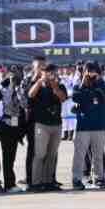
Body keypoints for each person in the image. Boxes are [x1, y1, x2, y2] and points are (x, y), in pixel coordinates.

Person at [70, 62, 105, 190]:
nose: (91, 74)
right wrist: (84, 83)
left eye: (93, 71)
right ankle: (76, 179)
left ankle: (99, 178)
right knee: (79, 154)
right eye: (88, 71)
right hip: (83, 125)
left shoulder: (101, 84)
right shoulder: (79, 84)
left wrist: (98, 82)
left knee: (98, 154)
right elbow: (75, 97)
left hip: (99, 124)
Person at [27, 63, 68, 191]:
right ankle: (36, 182)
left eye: (52, 72)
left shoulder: (59, 85)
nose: (50, 74)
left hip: (56, 124)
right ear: (42, 73)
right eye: (47, 72)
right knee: (40, 154)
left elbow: (63, 98)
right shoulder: (39, 85)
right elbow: (30, 94)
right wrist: (40, 82)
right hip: (41, 124)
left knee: (52, 155)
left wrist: (55, 87)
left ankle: (48, 181)